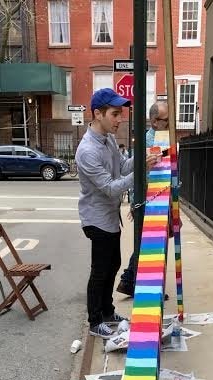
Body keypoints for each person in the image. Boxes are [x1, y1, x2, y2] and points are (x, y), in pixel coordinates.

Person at [75, 88, 160, 339]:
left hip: (110, 217)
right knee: (100, 270)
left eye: (120, 113)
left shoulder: (109, 139)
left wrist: (143, 157)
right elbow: (111, 189)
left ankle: (108, 312)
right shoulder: (87, 151)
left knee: (113, 265)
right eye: (114, 114)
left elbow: (122, 166)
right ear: (97, 114)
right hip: (96, 218)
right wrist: (141, 172)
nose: (119, 119)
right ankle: (94, 321)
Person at [117, 100, 169, 297]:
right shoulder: (150, 142)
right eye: (166, 120)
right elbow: (145, 174)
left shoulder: (161, 138)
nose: (169, 124)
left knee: (149, 243)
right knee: (150, 245)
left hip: (158, 198)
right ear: (155, 121)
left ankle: (131, 280)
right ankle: (135, 282)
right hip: (152, 199)